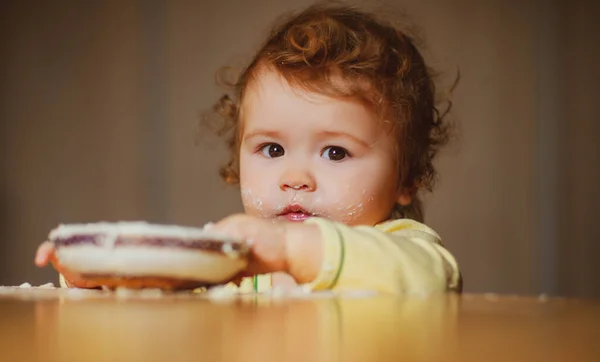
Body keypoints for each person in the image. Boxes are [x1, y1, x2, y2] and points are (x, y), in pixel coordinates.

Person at [35, 2, 462, 295]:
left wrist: (290, 250)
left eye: (335, 153)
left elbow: (429, 280)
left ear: (407, 177)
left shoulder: (405, 246)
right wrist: (104, 276)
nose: (295, 178)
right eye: (273, 150)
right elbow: (163, 292)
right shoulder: (236, 261)